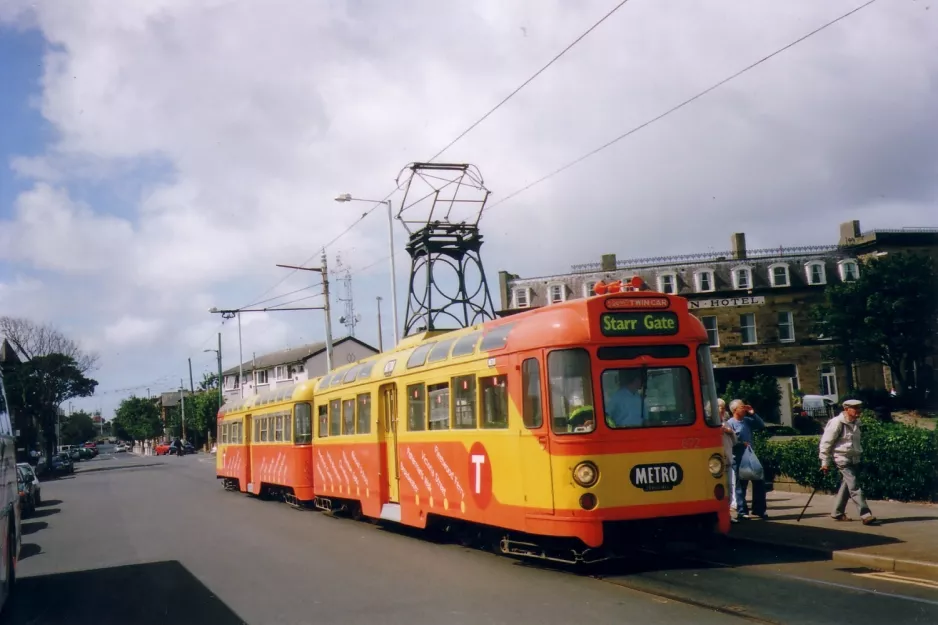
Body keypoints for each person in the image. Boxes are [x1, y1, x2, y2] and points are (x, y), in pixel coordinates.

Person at [819, 399, 878, 525]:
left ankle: (837, 512)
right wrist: (824, 462)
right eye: (855, 408)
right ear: (846, 409)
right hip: (842, 459)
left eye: (859, 408)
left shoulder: (856, 422)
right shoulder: (836, 423)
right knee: (855, 486)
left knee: (847, 486)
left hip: (854, 459)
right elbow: (825, 443)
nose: (858, 411)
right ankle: (865, 515)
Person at [726, 399, 767, 520]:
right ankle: (742, 510)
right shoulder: (730, 423)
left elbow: (761, 425)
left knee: (759, 481)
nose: (744, 409)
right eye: (741, 407)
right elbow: (730, 441)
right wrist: (740, 443)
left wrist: (753, 413)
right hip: (738, 458)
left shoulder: (747, 421)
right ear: (734, 410)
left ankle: (759, 509)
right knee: (741, 485)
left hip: (750, 456)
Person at [718, 399, 738, 511]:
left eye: (723, 407)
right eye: (720, 407)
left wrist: (730, 432)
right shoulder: (710, 423)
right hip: (718, 461)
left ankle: (732, 505)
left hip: (728, 457)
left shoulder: (726, 423)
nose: (723, 409)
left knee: (731, 484)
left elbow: (734, 441)